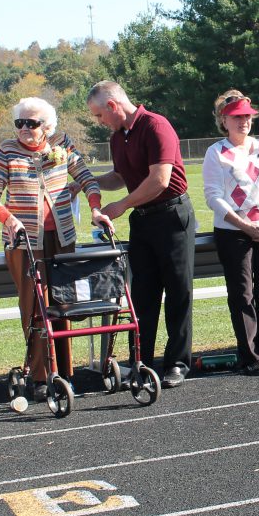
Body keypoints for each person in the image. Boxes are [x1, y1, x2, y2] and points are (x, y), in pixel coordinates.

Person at [0, 97, 105, 400]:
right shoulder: (7, 150)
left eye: (32, 123)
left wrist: (95, 208)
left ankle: (64, 373)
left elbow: (87, 178)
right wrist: (7, 217)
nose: (25, 128)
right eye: (20, 123)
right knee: (35, 308)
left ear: (47, 126)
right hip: (24, 242)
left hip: (62, 236)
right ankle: (40, 376)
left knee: (63, 303)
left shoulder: (63, 144)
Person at [87, 81, 195, 388]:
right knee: (143, 297)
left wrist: (120, 206)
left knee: (178, 293)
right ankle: (141, 363)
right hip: (143, 220)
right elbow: (121, 176)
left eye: (98, 115)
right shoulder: (117, 137)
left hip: (171, 216)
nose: (100, 122)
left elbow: (159, 180)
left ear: (112, 105)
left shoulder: (156, 125)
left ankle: (177, 363)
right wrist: (87, 182)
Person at [202, 90, 259, 375]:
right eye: (237, 117)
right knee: (243, 294)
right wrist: (244, 226)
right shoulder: (216, 152)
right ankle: (250, 356)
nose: (244, 121)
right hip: (233, 232)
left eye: (247, 116)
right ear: (223, 120)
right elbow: (213, 197)